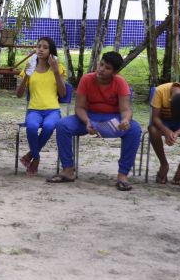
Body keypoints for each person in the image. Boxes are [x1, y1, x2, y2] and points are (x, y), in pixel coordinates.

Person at [48, 51, 140, 191]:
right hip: (88, 117)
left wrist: (126, 120)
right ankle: (68, 170)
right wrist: (87, 121)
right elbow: (79, 107)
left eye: (107, 68)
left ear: (114, 72)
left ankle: (122, 175)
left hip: (113, 119)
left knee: (134, 129)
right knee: (62, 125)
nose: (101, 69)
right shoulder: (86, 79)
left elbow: (126, 109)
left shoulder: (120, 82)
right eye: (101, 64)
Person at [15, 37, 67, 176]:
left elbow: (62, 93)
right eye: (39, 46)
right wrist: (26, 76)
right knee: (31, 127)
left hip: (53, 110)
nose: (41, 49)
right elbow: (19, 94)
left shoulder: (59, 68)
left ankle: (30, 155)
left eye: (45, 47)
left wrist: (56, 71)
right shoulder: (30, 67)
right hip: (34, 110)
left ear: (51, 51)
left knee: (49, 126)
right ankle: (36, 158)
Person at [146, 81, 180, 184]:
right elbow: (155, 118)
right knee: (152, 129)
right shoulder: (161, 90)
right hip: (163, 122)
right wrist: (167, 131)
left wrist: (177, 133)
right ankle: (164, 164)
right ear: (169, 100)